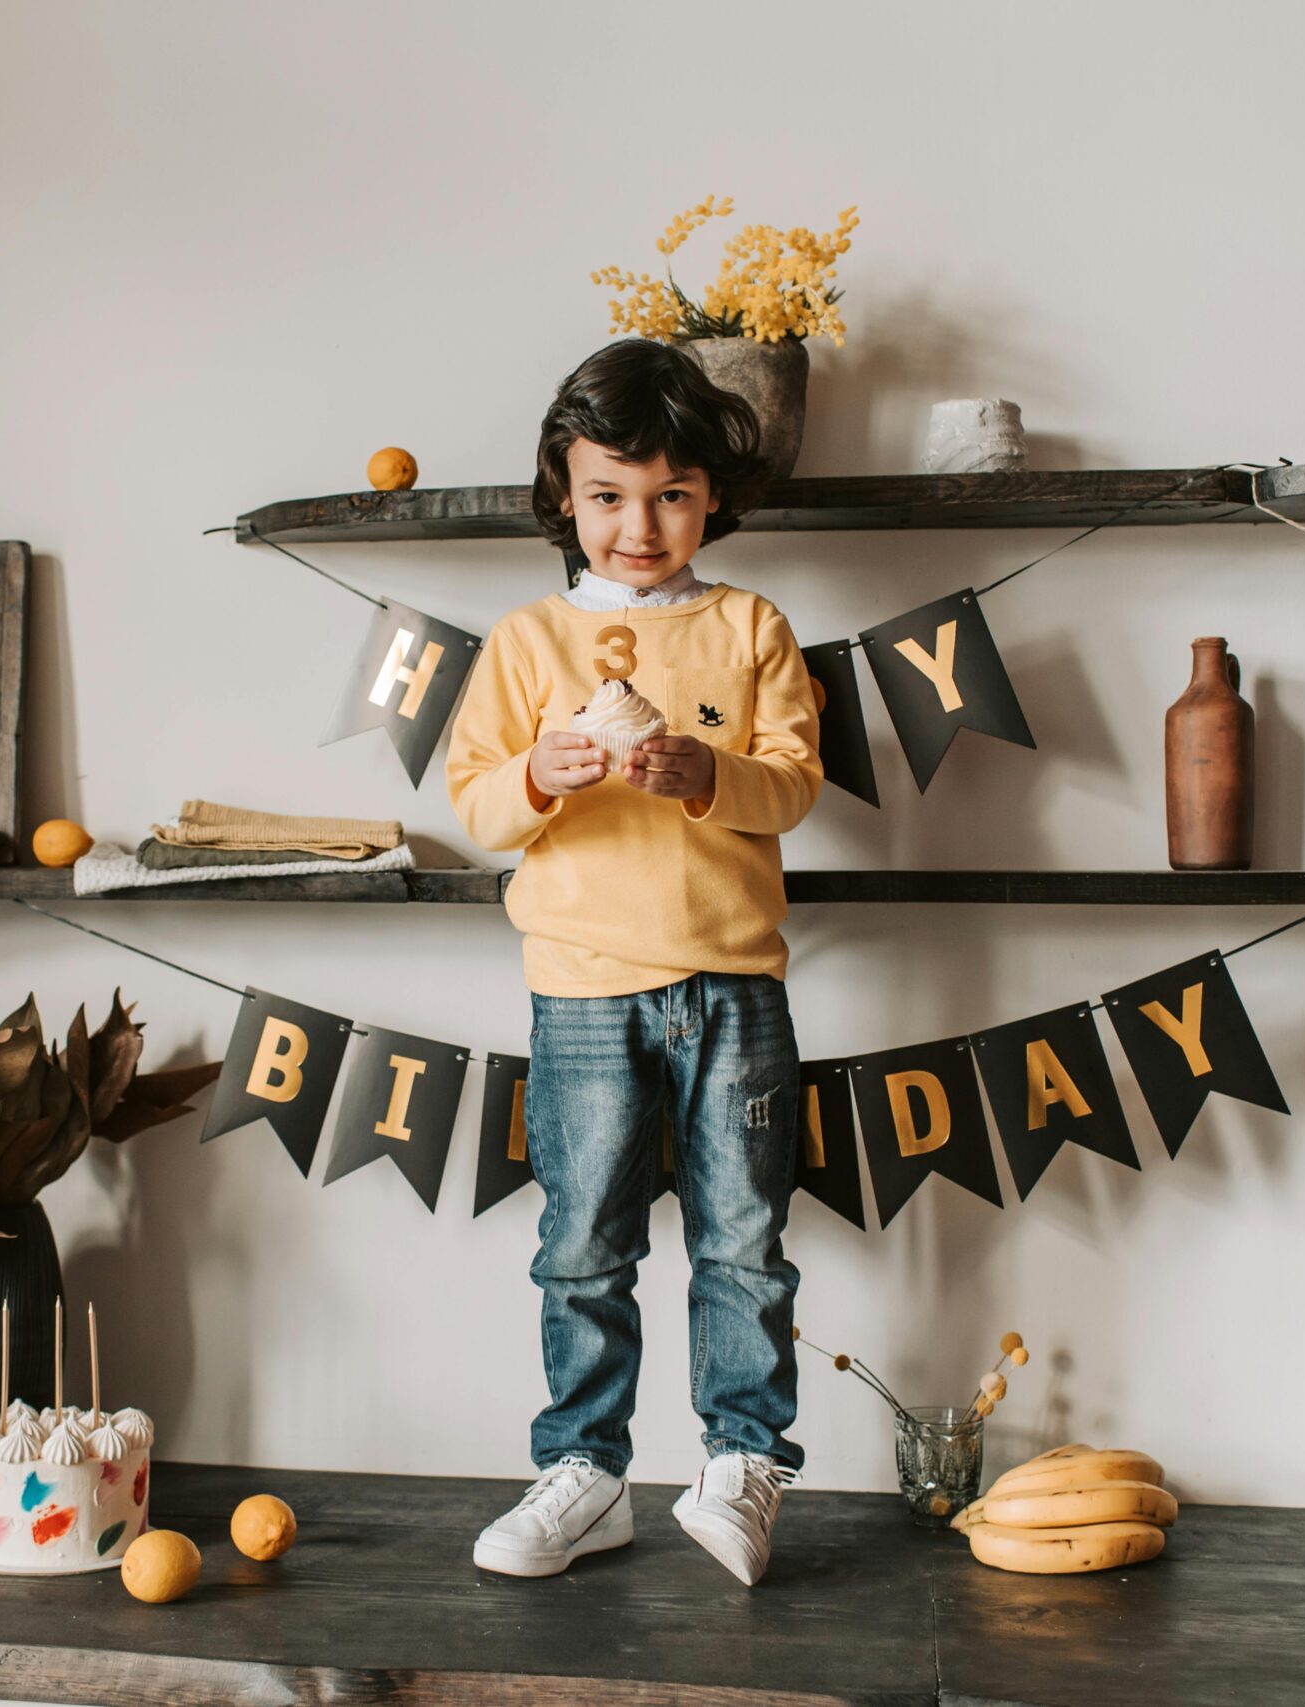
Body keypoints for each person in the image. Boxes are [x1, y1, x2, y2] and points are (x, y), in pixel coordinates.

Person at [444, 338, 825, 1586]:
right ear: (564, 492)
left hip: (734, 983)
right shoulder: (524, 643)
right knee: (584, 1247)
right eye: (609, 494)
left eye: (670, 493)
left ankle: (742, 1463)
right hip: (582, 991)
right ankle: (586, 1472)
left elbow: (794, 785)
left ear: (713, 493)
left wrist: (713, 775)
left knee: (744, 1241)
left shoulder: (751, 626)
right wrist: (538, 777)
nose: (640, 524)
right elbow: (475, 804)